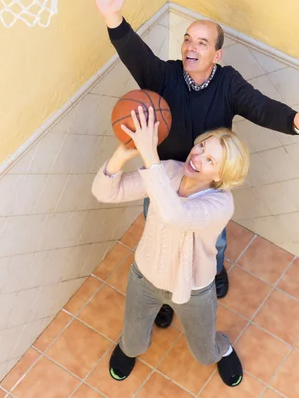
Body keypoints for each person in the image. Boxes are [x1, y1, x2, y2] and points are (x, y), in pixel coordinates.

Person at [84, 0, 299, 329]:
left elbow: (261, 106)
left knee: (211, 240)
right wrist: (111, 15)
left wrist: (294, 122)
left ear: (217, 55)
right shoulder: (164, 74)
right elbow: (134, 53)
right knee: (161, 230)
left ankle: (211, 272)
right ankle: (164, 290)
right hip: (165, 175)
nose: (191, 47)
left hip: (210, 178)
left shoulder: (228, 83)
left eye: (202, 42)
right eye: (187, 39)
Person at [92, 105, 250, 387]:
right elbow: (104, 192)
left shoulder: (220, 204)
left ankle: (222, 348)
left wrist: (150, 154)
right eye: (201, 147)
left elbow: (175, 214)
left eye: (210, 159)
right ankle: (129, 348)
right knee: (133, 342)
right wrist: (122, 155)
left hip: (194, 291)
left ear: (219, 176)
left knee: (204, 353)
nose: (198, 156)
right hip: (145, 278)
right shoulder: (167, 170)